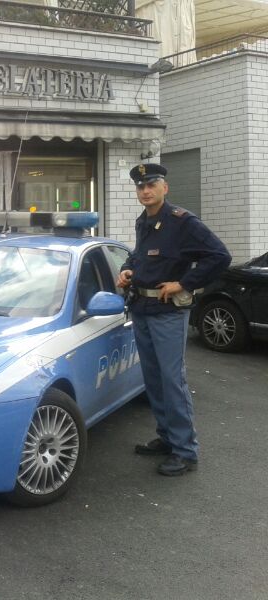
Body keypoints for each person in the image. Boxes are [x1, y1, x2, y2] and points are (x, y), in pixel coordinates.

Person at [116, 163, 231, 476]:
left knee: (172, 380)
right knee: (153, 379)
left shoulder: (182, 221)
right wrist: (128, 269)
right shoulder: (144, 221)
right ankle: (166, 438)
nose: (145, 190)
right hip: (142, 308)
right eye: (140, 186)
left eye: (151, 184)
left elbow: (220, 256)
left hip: (168, 312)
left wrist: (184, 283)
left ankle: (185, 450)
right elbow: (142, 256)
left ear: (164, 187)